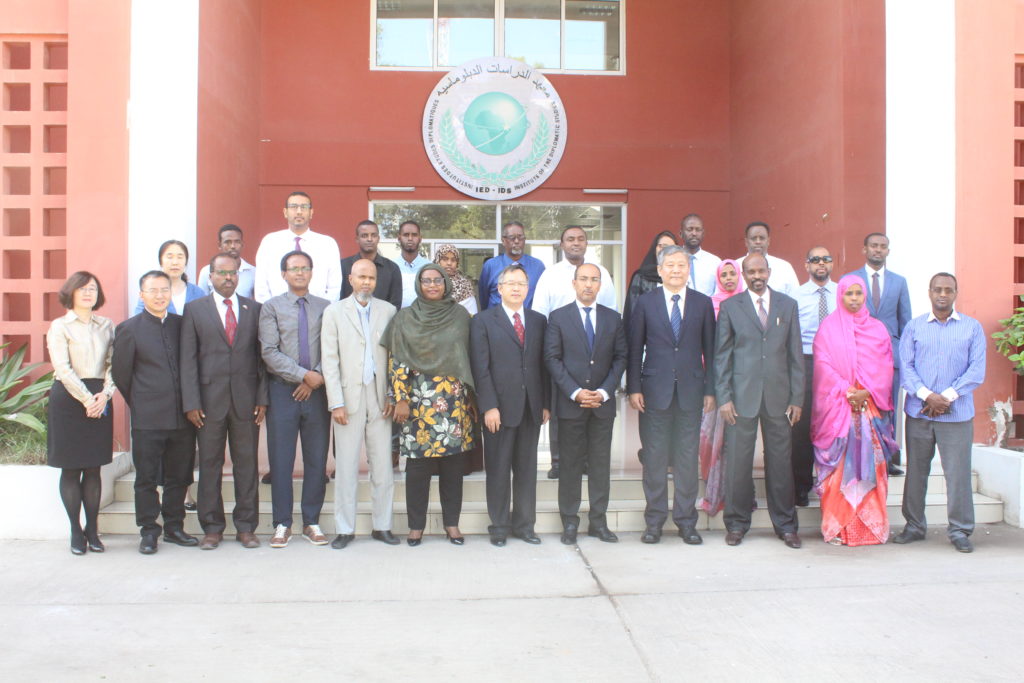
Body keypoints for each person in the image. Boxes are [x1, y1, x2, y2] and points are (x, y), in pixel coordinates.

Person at [627, 246, 716, 545]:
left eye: (681, 265)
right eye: (671, 265)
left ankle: (686, 522)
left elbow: (711, 351)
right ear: (660, 270)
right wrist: (634, 387)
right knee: (654, 458)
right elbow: (635, 346)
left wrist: (710, 390)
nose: (676, 270)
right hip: (654, 391)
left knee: (687, 458)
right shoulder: (646, 302)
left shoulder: (702, 303)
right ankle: (654, 522)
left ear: (688, 270)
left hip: (691, 391)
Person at [715, 253, 804, 549]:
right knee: (738, 463)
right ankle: (736, 524)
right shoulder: (731, 307)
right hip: (741, 398)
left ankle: (786, 526)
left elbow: (795, 355)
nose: (757, 276)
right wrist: (724, 398)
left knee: (780, 463)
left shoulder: (787, 305)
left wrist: (797, 398)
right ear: (744, 274)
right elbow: (722, 356)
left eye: (761, 271)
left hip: (779, 398)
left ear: (769, 271)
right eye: (751, 272)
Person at [181, 252, 268, 550]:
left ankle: (246, 527)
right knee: (209, 465)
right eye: (222, 273)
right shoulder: (195, 310)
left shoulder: (254, 309)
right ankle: (212, 528)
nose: (228, 278)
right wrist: (191, 402)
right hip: (207, 403)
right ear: (211, 277)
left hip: (246, 401)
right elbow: (188, 360)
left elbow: (261, 359)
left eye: (233, 273)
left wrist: (262, 398)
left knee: (247, 465)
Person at [384, 263, 476, 546]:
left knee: (453, 468)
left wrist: (473, 398)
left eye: (438, 280)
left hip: (454, 403)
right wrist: (400, 398)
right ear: (418, 284)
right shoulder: (405, 318)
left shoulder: (460, 316)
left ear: (446, 283)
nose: (433, 285)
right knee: (417, 470)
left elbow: (470, 356)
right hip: (417, 403)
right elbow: (397, 360)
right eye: (427, 280)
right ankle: (416, 527)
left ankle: (452, 525)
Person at [894, 273, 986, 553]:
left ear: (956, 292)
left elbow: (976, 370)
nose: (942, 294)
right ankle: (914, 526)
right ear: (930, 292)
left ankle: (960, 530)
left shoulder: (972, 328)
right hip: (919, 412)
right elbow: (906, 366)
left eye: (948, 290)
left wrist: (945, 398)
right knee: (916, 472)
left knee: (957, 475)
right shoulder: (914, 327)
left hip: (956, 415)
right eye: (938, 289)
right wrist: (927, 396)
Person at [113, 270, 198, 554]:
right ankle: (149, 530)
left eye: (164, 290)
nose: (160, 295)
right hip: (148, 417)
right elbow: (122, 375)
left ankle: (174, 527)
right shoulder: (129, 329)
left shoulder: (182, 324)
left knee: (179, 475)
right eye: (153, 290)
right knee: (146, 478)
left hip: (182, 416)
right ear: (142, 294)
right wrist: (141, 401)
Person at [544, 263, 627, 544]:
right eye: (583, 279)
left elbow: (621, 358)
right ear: (574, 283)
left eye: (594, 279)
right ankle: (569, 522)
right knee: (569, 466)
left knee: (600, 466)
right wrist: (575, 391)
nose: (588, 284)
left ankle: (598, 522)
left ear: (600, 285)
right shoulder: (558, 317)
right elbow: (552, 358)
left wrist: (603, 392)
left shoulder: (613, 318)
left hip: (602, 406)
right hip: (571, 405)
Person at [811, 275, 897, 546]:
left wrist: (866, 392)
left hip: (869, 409)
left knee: (872, 468)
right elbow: (823, 366)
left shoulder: (878, 329)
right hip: (838, 409)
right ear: (841, 296)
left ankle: (870, 528)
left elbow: (885, 367)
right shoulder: (828, 328)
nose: (854, 298)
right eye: (849, 293)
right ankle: (838, 528)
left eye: (859, 293)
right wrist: (848, 391)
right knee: (839, 470)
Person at [321, 258, 398, 549]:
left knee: (382, 466)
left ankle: (383, 526)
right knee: (346, 466)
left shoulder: (388, 311)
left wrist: (392, 394)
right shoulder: (334, 312)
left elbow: (394, 356)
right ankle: (345, 528)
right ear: (350, 279)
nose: (367, 282)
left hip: (380, 397)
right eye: (361, 277)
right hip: (348, 398)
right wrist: (336, 402)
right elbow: (329, 360)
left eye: (372, 278)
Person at [471, 263, 549, 546]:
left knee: (527, 471)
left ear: (528, 289)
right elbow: (480, 368)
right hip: (499, 410)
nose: (517, 288)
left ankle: (525, 526)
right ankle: (499, 527)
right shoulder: (483, 321)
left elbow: (543, 365)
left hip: (531, 407)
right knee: (499, 470)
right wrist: (489, 406)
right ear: (499, 288)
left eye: (522, 284)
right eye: (511, 284)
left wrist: (545, 403)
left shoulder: (539, 321)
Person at [531, 225, 617, 480]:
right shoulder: (550, 275)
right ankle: (559, 461)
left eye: (580, 238)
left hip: (594, 350)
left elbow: (610, 311)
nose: (576, 243)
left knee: (592, 408)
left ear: (586, 243)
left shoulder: (601, 273)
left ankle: (588, 460)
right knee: (562, 407)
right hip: (560, 351)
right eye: (570, 239)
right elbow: (539, 313)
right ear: (562, 244)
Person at [259, 251, 331, 548]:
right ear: (283, 274)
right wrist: (303, 376)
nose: (300, 273)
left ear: (312, 272)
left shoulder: (326, 307)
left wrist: (316, 376)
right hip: (283, 392)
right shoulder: (271, 308)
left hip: (318, 393)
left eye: (305, 268)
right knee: (281, 459)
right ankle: (282, 523)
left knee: (316, 459)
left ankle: (311, 521)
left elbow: (334, 348)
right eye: (293, 268)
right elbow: (269, 351)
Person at [46, 272, 115, 555]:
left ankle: (92, 530)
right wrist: (87, 400)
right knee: (71, 467)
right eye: (82, 288)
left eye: (93, 289)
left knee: (94, 467)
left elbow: (113, 364)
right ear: (71, 292)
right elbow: (62, 369)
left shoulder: (107, 325)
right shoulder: (60, 326)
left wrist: (105, 394)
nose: (88, 293)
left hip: (100, 396)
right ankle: (76, 530)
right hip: (69, 399)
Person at [845, 232, 912, 475]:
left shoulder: (899, 282)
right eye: (873, 245)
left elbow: (905, 323)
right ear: (864, 249)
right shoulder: (850, 280)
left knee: (888, 406)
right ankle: (859, 456)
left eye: (883, 246)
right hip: (858, 354)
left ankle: (888, 458)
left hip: (889, 357)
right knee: (858, 406)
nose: (878, 250)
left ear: (888, 251)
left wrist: (904, 357)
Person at [791, 247, 838, 506]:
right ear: (806, 265)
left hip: (836, 364)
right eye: (815, 259)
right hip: (806, 362)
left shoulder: (843, 292)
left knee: (834, 425)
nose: (821, 263)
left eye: (826, 259)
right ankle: (801, 485)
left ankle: (832, 484)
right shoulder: (796, 295)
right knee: (802, 426)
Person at [697, 259, 744, 516]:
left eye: (732, 274)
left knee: (735, 441)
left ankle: (736, 495)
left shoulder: (747, 303)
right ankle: (713, 489)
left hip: (742, 381)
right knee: (708, 438)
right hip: (714, 378)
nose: (728, 278)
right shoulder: (709, 305)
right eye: (723, 274)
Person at [254, 191, 342, 302]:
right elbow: (261, 286)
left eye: (304, 207)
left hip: (318, 310)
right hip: (278, 310)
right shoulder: (270, 242)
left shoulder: (327, 244)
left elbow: (334, 287)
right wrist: (272, 310)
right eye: (294, 207)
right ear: (285, 212)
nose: (299, 212)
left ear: (311, 212)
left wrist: (323, 310)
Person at [477, 221, 546, 310]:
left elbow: (543, 297)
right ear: (503, 241)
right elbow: (484, 298)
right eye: (512, 238)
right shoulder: (490, 266)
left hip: (528, 318)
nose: (516, 241)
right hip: (496, 318)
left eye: (520, 237)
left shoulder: (538, 266)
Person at [623, 231, 677, 334]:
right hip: (647, 337)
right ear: (654, 248)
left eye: (669, 247)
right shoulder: (641, 276)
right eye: (661, 246)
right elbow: (633, 311)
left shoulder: (679, 277)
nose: (664, 250)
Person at [340, 220, 402, 308]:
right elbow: (339, 298)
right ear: (357, 239)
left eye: (373, 235)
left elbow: (395, 304)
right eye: (364, 236)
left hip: (383, 316)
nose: (369, 239)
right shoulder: (343, 266)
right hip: (348, 316)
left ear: (378, 238)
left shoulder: (392, 268)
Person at [133, 239, 206, 315]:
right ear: (161, 262)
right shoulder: (150, 291)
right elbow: (139, 318)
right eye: (170, 257)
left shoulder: (198, 293)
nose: (175, 262)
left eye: (180, 257)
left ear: (186, 262)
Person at [736, 222, 799, 296]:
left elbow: (796, 297)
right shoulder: (735, 267)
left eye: (762, 238)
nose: (758, 242)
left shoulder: (784, 267)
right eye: (753, 238)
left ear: (768, 241)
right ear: (746, 242)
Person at [197, 224, 256, 298]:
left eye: (237, 242)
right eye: (228, 242)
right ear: (219, 245)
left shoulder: (253, 272)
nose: (233, 246)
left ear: (242, 244)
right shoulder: (207, 271)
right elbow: (202, 301)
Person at [680, 214, 722, 296]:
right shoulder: (672, 261)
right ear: (681, 233)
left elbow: (719, 294)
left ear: (703, 233)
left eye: (698, 230)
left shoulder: (715, 262)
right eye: (689, 229)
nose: (694, 233)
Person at [392, 220, 431, 308]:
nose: (410, 238)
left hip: (424, 315)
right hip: (397, 315)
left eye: (414, 235)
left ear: (420, 238)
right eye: (406, 235)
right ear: (399, 238)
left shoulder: (429, 267)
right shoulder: (392, 267)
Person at [434, 243, 479, 315]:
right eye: (445, 259)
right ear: (438, 261)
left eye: (453, 260)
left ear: (457, 263)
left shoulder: (464, 285)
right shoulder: (430, 281)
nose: (449, 263)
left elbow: (471, 313)